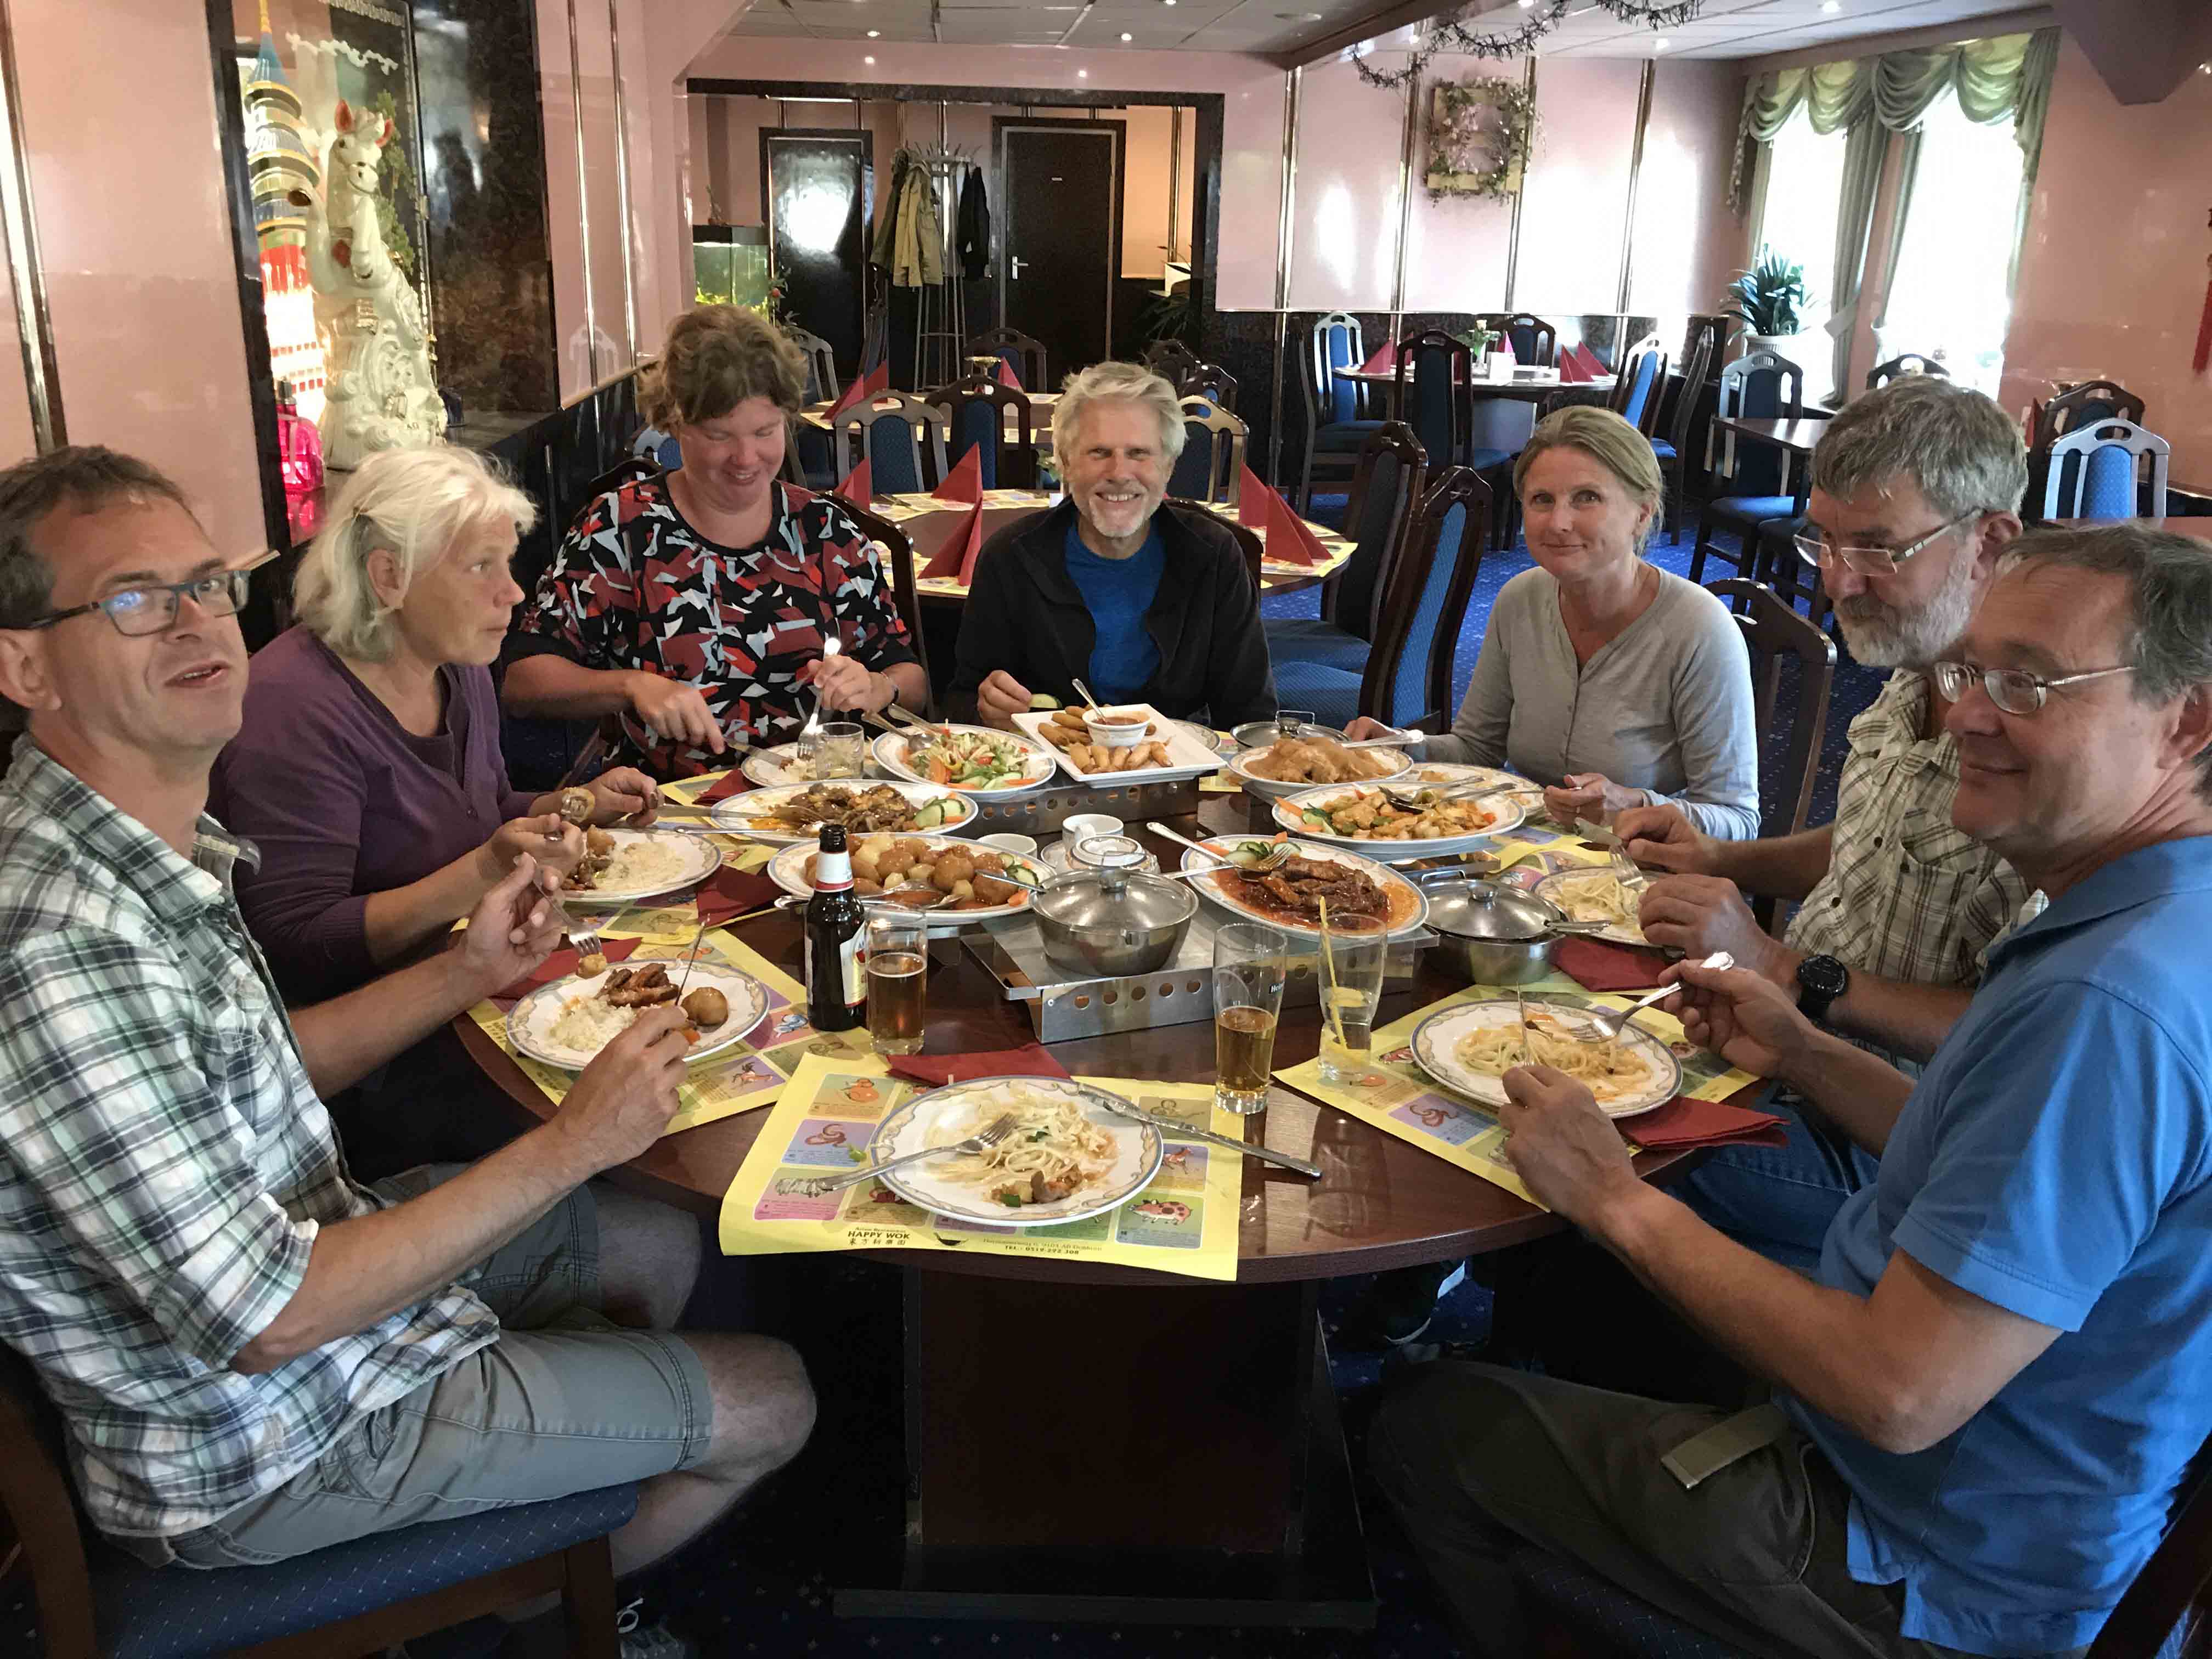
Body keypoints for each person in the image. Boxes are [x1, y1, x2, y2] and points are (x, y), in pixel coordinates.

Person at [0, 448, 812, 1635]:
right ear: (25, 664)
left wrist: (467, 971)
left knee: (657, 1241)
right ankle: (534, 1615)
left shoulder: (142, 843)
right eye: (134, 599)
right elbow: (264, 1320)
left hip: (324, 1268)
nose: (197, 625)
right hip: (263, 1441)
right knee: (775, 1396)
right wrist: (574, 1143)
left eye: (209, 585)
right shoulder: (63, 945)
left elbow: (270, 1063)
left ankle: (564, 1541)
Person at [1373, 523, 2212, 1659]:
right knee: (1598, 1291)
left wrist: (1616, 1197)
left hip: (1922, 1566)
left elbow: (1896, 1393)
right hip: (2017, 1498)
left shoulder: (2106, 1004)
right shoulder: (2157, 916)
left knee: (1422, 1428)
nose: (1966, 713)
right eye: (1970, 670)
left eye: (2028, 682)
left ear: (2187, 721)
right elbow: (1994, 1172)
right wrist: (1809, 1054)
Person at [1608, 376, 2037, 1273]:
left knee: (1596, 1132)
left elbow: (2024, 1044)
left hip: (1890, 1138)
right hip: (1777, 1039)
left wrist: (1787, 970)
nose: (1834, 579)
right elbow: (1867, 843)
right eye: (1824, 539)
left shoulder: (2035, 754)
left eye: (1878, 546)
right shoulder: (1918, 663)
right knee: (1541, 1027)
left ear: (1988, 542)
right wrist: (1721, 854)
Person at [210, 444, 667, 1177]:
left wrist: (573, 805)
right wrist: (481, 872)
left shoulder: (456, 661)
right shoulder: (291, 708)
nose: (512, 593)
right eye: (481, 566)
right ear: (388, 577)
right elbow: (294, 942)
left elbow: (477, 812)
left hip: (477, 991)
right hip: (376, 1077)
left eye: (506, 564)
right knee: (650, 1123)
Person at [503, 304, 928, 777]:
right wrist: (632, 686)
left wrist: (878, 686)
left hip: (823, 797)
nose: (746, 458)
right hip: (672, 803)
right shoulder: (621, 527)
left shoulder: (826, 531)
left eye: (765, 432)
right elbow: (523, 681)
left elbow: (910, 677)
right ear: (674, 424)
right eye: (719, 436)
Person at [1347, 404, 1758, 840]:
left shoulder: (1698, 628)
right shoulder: (1520, 600)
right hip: (1528, 853)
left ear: (1642, 512)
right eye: (1542, 500)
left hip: (1641, 862)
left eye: (1588, 498)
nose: (1559, 523)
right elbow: (1477, 749)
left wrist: (1637, 805)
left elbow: (1738, 819)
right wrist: (1401, 746)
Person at [951, 360, 1276, 730]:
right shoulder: (1010, 558)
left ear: (1168, 466)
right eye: (1099, 452)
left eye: (1139, 453)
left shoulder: (1214, 555)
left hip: (1181, 763)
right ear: (1066, 464)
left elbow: (1252, 717)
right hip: (1047, 764)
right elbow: (962, 701)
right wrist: (987, 711)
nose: (1119, 473)